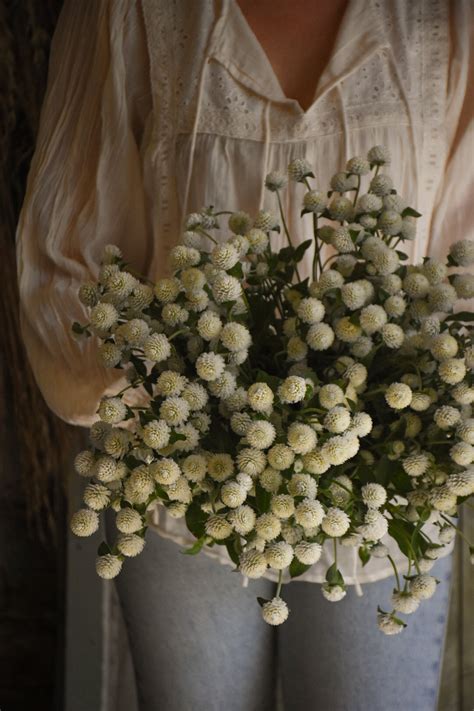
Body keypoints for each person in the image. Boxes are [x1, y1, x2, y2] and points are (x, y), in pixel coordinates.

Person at [15, 1, 472, 709]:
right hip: (179, 497)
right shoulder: (134, 12)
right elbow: (66, 253)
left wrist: (410, 425)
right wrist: (167, 406)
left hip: (381, 506)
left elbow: (465, 265)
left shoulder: (447, 21)